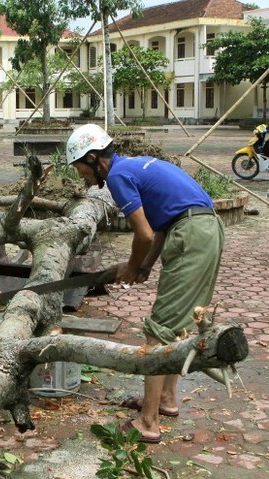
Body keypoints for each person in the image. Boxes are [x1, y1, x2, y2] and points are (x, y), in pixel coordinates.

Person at [65, 124, 224, 444]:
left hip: (191, 234)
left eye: (79, 167)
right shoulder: (136, 166)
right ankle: (164, 400)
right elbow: (162, 225)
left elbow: (145, 234)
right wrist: (145, 267)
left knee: (157, 331)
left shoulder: (118, 177)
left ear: (94, 158)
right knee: (177, 326)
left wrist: (132, 264)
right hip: (206, 228)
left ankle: (148, 422)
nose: (80, 175)